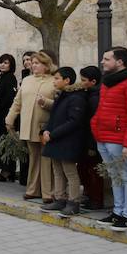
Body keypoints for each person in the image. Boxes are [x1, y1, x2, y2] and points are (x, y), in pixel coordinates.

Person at [92, 47, 127, 231]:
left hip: (119, 138)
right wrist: (95, 126)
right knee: (115, 176)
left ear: (120, 62)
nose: (102, 62)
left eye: (106, 59)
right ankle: (118, 212)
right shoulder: (108, 81)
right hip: (104, 136)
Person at [5, 51, 57, 203]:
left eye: (37, 63)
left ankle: (48, 193)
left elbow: (60, 105)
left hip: (45, 127)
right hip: (28, 126)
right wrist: (10, 118)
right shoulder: (27, 80)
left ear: (46, 65)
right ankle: (33, 189)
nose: (33, 65)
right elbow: (17, 102)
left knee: (47, 160)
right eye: (33, 63)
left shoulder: (53, 81)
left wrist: (46, 103)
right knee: (33, 158)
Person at [40, 67, 87, 217]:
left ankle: (74, 202)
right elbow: (54, 116)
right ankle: (59, 198)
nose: (54, 81)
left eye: (57, 78)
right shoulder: (62, 95)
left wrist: (52, 134)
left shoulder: (76, 97)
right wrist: (46, 130)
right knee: (57, 171)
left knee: (70, 172)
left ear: (67, 80)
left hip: (67, 140)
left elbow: (74, 121)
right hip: (55, 139)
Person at [77, 66, 105, 210]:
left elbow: (93, 124)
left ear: (93, 81)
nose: (81, 83)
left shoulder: (94, 98)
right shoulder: (88, 94)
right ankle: (89, 196)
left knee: (93, 172)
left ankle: (96, 199)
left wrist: (92, 146)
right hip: (85, 140)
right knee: (84, 170)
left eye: (83, 80)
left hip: (91, 142)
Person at [0, 54, 19, 182]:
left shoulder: (10, 78)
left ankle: (7, 171)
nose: (2, 65)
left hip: (5, 117)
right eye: (1, 62)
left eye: (6, 63)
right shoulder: (4, 78)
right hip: (0, 116)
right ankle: (6, 170)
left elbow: (8, 99)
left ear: (11, 65)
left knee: (5, 145)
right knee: (2, 144)